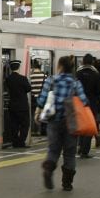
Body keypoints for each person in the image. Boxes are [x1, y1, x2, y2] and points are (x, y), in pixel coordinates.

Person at [35, 56, 89, 191]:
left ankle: (48, 169)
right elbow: (84, 101)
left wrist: (37, 113)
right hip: (71, 122)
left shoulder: (51, 80)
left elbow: (42, 100)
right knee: (70, 153)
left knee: (53, 149)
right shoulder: (75, 83)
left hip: (53, 120)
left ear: (60, 66)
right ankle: (67, 183)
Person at [75, 54, 100, 159]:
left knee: (80, 126)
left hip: (79, 104)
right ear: (92, 62)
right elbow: (99, 93)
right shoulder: (96, 75)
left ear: (83, 61)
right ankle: (84, 151)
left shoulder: (77, 74)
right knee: (90, 127)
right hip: (92, 105)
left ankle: (79, 146)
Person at [5, 60, 32, 148]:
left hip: (12, 106)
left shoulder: (8, 79)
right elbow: (28, 89)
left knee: (14, 125)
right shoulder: (23, 78)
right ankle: (21, 142)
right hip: (22, 106)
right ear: (18, 67)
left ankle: (15, 142)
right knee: (25, 124)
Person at [29, 58, 48, 136]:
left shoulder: (30, 76)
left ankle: (33, 130)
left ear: (33, 67)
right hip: (41, 97)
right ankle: (40, 130)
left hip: (33, 97)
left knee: (33, 113)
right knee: (42, 113)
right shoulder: (44, 76)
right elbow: (46, 88)